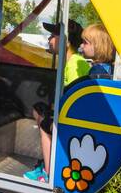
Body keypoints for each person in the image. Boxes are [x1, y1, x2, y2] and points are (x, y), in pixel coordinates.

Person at [25, 18, 87, 183]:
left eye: (53, 35)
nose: (49, 38)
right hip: (65, 113)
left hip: (73, 119)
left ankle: (48, 172)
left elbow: (76, 98)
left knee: (46, 125)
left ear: (66, 42)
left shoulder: (75, 64)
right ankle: (48, 159)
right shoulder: (69, 62)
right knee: (38, 109)